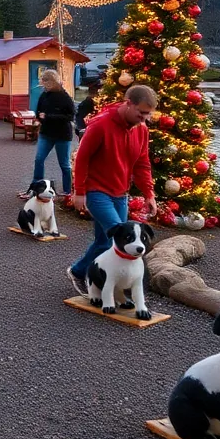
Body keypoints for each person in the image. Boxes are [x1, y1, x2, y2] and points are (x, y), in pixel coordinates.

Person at [65, 85, 159, 296]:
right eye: (141, 112)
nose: (144, 118)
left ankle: (79, 271)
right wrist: (79, 191)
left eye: (148, 114)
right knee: (122, 236)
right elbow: (82, 158)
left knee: (103, 240)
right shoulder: (100, 125)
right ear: (128, 104)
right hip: (97, 191)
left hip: (120, 193)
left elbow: (142, 163)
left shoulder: (141, 129)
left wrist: (149, 194)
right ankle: (127, 286)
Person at [20, 69, 76, 199]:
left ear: (52, 82)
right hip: (46, 133)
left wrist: (49, 117)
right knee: (39, 159)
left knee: (64, 164)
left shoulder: (65, 97)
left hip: (62, 135)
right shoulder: (44, 95)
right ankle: (35, 188)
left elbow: (70, 116)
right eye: (43, 82)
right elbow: (38, 110)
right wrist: (40, 118)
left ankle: (68, 191)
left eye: (46, 82)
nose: (44, 85)